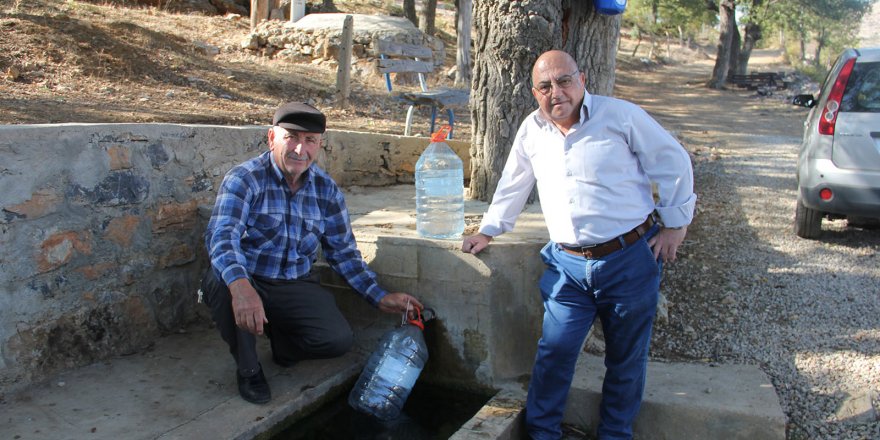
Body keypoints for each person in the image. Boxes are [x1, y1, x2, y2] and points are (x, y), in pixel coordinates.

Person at [461, 50, 696, 439]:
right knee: (554, 354)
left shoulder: (621, 116)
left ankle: (615, 434)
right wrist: (489, 230)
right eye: (545, 86)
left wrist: (676, 224)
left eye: (564, 81)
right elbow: (513, 183)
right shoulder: (532, 130)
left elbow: (673, 162)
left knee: (625, 360)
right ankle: (542, 433)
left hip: (629, 261)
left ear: (582, 79)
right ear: (534, 92)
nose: (556, 92)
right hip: (567, 268)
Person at [202, 101, 423, 404]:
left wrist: (379, 296)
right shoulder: (244, 178)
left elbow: (343, 252)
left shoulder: (326, 190)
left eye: (310, 140)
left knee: (336, 340)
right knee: (221, 281)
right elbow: (222, 237)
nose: (299, 149)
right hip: (249, 276)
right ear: (271, 138)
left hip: (294, 282)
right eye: (291, 136)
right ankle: (249, 368)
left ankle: (283, 345)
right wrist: (241, 288)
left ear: (319, 145)